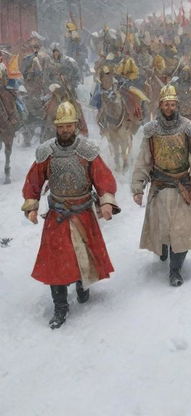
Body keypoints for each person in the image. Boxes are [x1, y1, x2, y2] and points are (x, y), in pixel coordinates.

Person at [20, 101, 119, 328]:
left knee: (81, 257)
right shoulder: (47, 152)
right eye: (61, 126)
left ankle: (82, 284)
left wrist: (106, 201)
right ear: (56, 126)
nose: (65, 130)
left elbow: (103, 178)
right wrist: (32, 206)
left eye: (69, 126)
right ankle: (60, 308)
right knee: (57, 263)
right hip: (57, 215)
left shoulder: (87, 150)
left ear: (75, 125)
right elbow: (34, 181)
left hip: (83, 213)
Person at [131, 84, 191, 286]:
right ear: (160, 105)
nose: (169, 108)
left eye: (172, 104)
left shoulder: (189, 129)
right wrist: (138, 186)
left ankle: (175, 270)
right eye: (165, 104)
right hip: (159, 186)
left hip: (182, 187)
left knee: (181, 229)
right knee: (162, 227)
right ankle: (164, 247)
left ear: (176, 105)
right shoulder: (151, 131)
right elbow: (144, 159)